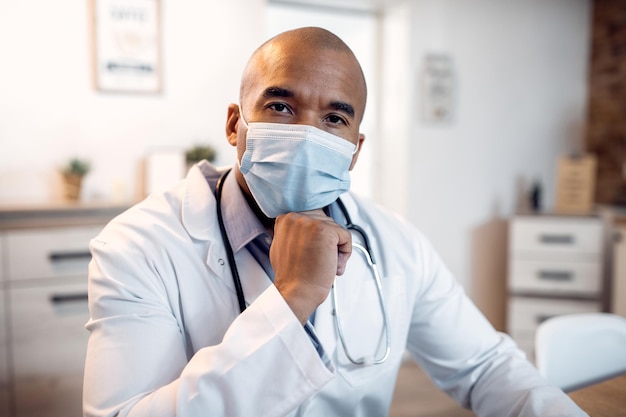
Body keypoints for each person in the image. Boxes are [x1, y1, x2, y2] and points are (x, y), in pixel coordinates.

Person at [83, 27, 587, 417]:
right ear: (236, 124)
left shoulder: (394, 244)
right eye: (280, 106)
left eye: (334, 119)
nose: (306, 133)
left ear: (354, 150)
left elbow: (487, 367)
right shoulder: (139, 246)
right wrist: (292, 297)